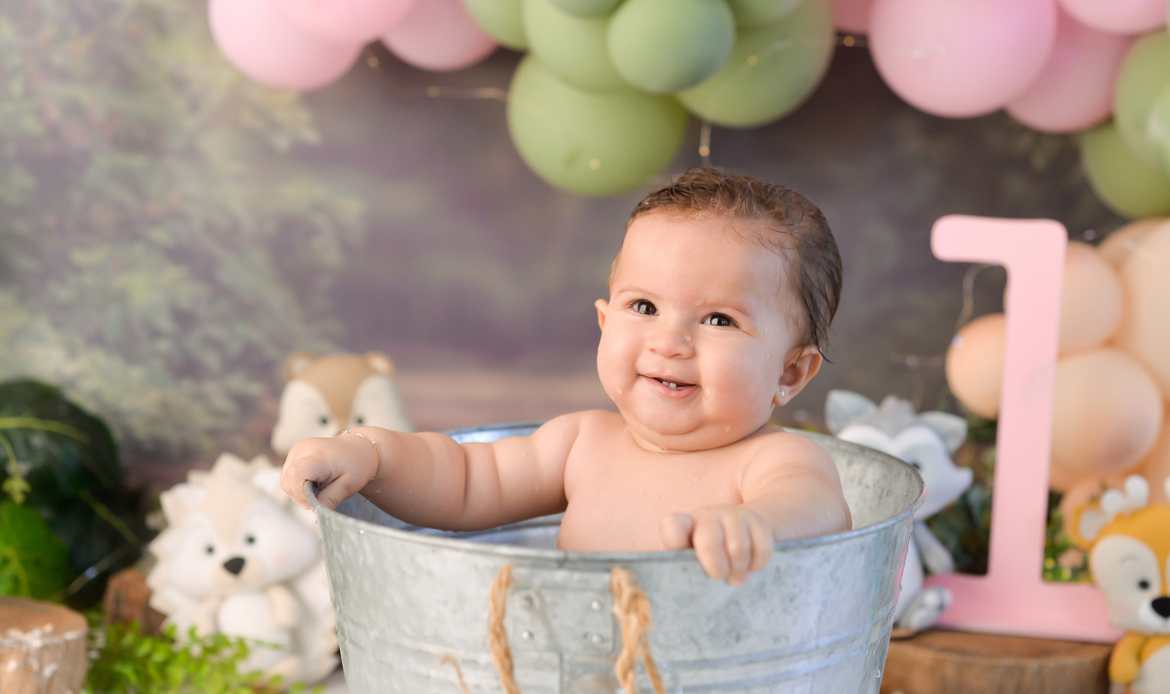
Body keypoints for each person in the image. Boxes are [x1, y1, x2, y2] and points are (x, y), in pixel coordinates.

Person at [281, 167, 851, 586]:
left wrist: (754, 524)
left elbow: (818, 509)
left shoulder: (774, 461)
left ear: (790, 372)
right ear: (605, 322)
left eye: (719, 319)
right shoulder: (582, 443)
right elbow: (465, 479)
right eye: (644, 307)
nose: (669, 341)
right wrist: (371, 452)